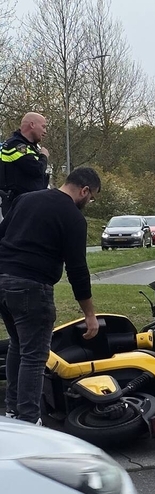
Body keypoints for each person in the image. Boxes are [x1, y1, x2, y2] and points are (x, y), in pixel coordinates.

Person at [0, 167, 100, 424]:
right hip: (32, 287)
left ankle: (12, 411)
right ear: (84, 190)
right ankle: (29, 421)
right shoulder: (73, 217)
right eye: (92, 197)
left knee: (17, 346)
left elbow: (2, 235)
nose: (90, 202)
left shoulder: (26, 199)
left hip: (3, 281)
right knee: (34, 355)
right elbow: (78, 270)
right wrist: (90, 314)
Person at [0, 113, 51, 215]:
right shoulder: (15, 145)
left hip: (30, 203)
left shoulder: (31, 147)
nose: (45, 131)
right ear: (32, 125)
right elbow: (36, 170)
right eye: (43, 127)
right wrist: (44, 156)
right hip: (17, 205)